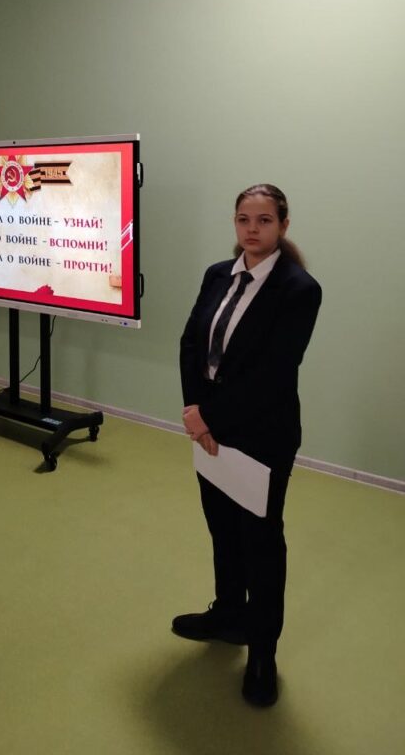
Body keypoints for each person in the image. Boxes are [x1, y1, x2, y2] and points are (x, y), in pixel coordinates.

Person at [175, 184, 322, 707]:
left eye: (263, 220)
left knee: (260, 544)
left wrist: (207, 417)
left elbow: (274, 375)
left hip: (261, 436)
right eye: (243, 219)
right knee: (222, 529)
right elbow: (191, 344)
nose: (252, 229)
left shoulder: (298, 289)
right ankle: (228, 615)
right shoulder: (218, 274)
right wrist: (195, 412)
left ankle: (263, 652)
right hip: (210, 431)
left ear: (283, 224)